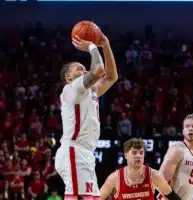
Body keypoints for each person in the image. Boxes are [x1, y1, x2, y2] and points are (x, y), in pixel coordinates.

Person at [55, 34, 118, 200]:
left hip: (85, 153)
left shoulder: (91, 91)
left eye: (84, 68)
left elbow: (111, 77)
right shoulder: (71, 89)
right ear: (68, 77)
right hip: (73, 150)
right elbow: (98, 71)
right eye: (79, 69)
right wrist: (92, 47)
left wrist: (106, 45)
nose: (84, 71)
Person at [99, 138, 182, 200]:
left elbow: (173, 197)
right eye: (134, 152)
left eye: (141, 153)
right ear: (126, 155)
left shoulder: (155, 176)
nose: (138, 156)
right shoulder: (114, 178)